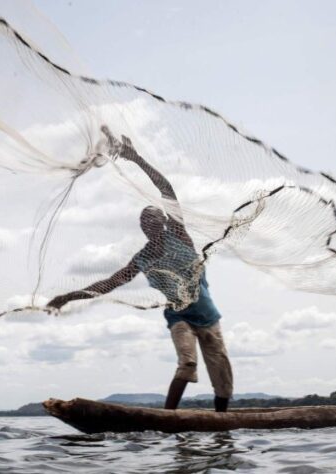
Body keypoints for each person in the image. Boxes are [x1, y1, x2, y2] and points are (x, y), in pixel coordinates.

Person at [46, 126, 233, 412]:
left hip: (209, 318)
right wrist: (68, 296)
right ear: (143, 229)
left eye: (157, 218)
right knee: (188, 364)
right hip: (179, 317)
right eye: (147, 222)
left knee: (222, 377)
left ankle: (222, 422)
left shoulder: (180, 236)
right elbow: (108, 284)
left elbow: (165, 188)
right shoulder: (143, 258)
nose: (153, 223)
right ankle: (169, 416)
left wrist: (136, 158)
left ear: (165, 222)